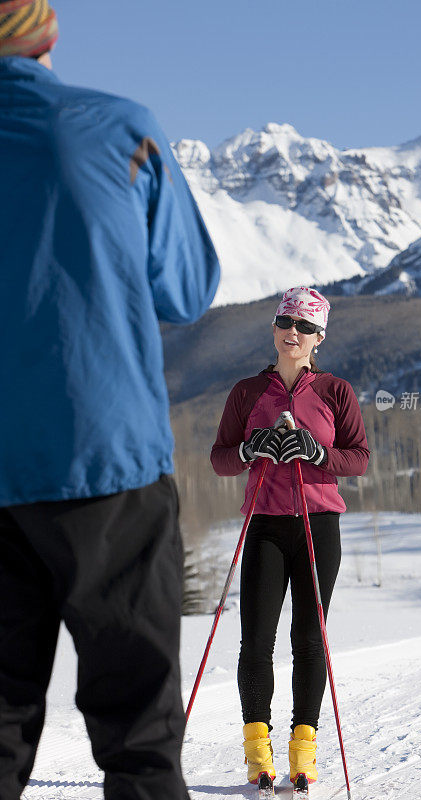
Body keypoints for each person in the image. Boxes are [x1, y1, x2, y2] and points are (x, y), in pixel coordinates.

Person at [0, 2, 220, 798]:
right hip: (105, 466)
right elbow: (187, 289)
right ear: (48, 36)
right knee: (139, 743)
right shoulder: (119, 127)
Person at [210, 287, 370, 788]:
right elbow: (220, 459)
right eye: (286, 323)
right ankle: (259, 754)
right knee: (255, 641)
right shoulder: (247, 392)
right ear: (275, 328)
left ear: (319, 337)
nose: (292, 333)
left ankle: (304, 750)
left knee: (308, 640)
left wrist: (318, 453)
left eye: (304, 327)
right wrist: (249, 448)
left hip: (318, 526)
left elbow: (359, 457)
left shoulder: (335, 391)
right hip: (265, 525)